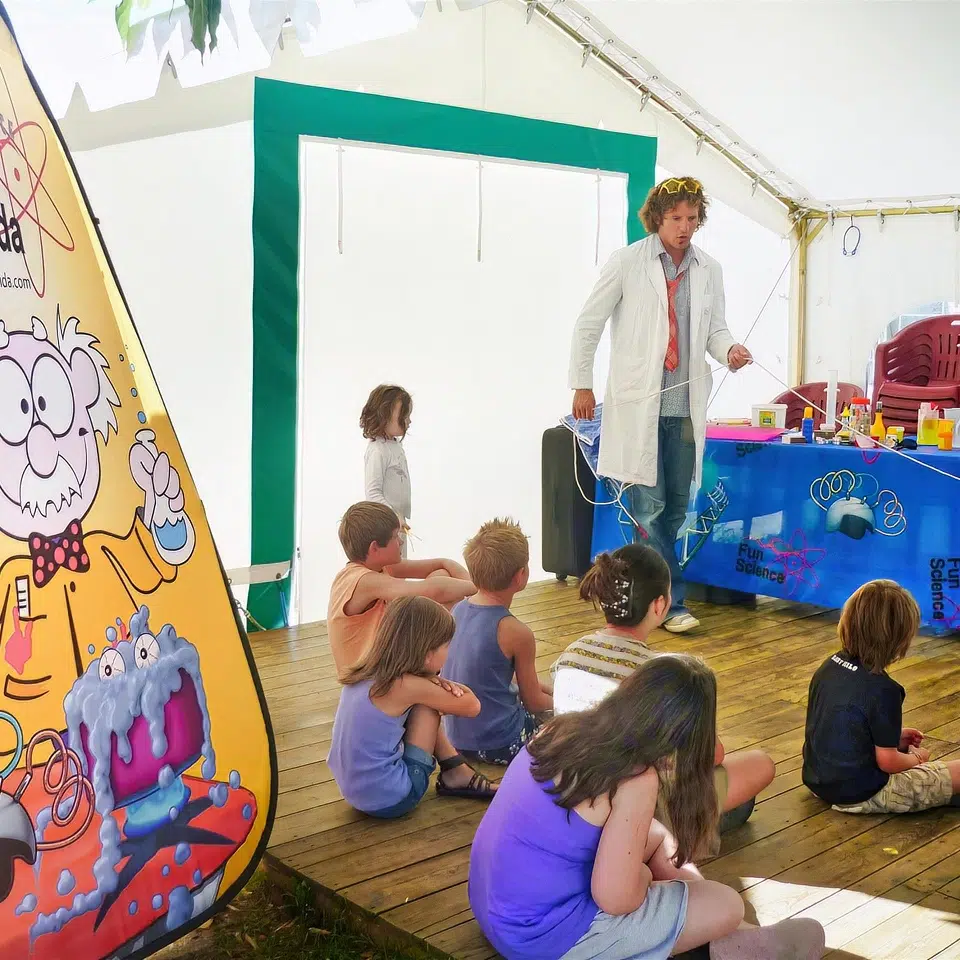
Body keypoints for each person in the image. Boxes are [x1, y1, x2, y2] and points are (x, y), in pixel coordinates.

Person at [469, 655, 825, 960]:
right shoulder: (637, 778)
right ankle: (736, 941)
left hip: (495, 910)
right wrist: (642, 878)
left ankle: (738, 938)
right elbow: (616, 899)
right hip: (544, 940)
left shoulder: (561, 728)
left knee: (657, 836)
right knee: (726, 904)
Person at [568, 176, 752, 635]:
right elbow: (588, 324)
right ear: (657, 218)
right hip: (639, 407)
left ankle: (646, 597)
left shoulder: (709, 269)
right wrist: (582, 384)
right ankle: (670, 604)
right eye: (675, 218)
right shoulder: (627, 261)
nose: (684, 227)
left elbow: (715, 330)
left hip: (684, 410)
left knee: (673, 512)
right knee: (648, 513)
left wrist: (730, 350)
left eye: (692, 218)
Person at [553, 544, 774, 836]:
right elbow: (712, 754)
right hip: (642, 807)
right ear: (660, 605)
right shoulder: (662, 672)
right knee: (760, 765)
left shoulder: (571, 653)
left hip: (577, 793)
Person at [328, 595, 497, 817]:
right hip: (392, 799)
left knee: (425, 700)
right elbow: (472, 706)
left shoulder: (366, 671)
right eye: (447, 646)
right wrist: (443, 684)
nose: (449, 652)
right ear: (427, 654)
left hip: (354, 793)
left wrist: (429, 682)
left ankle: (457, 770)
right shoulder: (406, 686)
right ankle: (456, 774)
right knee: (427, 707)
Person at [803, 579, 960, 814]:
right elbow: (889, 762)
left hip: (818, 782)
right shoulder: (885, 690)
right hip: (863, 794)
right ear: (901, 639)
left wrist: (894, 738)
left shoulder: (829, 667)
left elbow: (837, 726)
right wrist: (918, 758)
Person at [441, 518, 553, 765]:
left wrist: (546, 688)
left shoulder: (457, 610)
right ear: (521, 576)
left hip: (456, 741)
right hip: (501, 743)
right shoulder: (516, 632)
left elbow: (488, 675)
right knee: (571, 730)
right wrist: (569, 707)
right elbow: (534, 702)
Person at [327, 502, 476, 678]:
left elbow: (441, 564)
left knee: (440, 574)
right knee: (439, 592)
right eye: (395, 537)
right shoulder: (361, 580)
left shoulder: (378, 567)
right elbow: (433, 591)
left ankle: (457, 655)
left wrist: (473, 587)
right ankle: (461, 657)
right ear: (374, 548)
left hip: (386, 660)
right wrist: (482, 588)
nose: (401, 541)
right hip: (368, 678)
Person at [361, 384, 413, 557]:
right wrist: (393, 516)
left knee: (401, 564)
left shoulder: (395, 445)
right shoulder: (378, 450)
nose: (409, 421)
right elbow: (373, 493)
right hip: (386, 526)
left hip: (397, 522)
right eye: (404, 415)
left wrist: (399, 517)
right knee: (391, 567)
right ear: (384, 415)